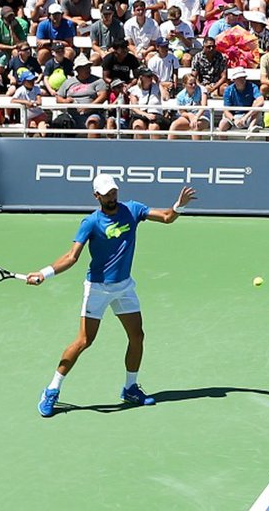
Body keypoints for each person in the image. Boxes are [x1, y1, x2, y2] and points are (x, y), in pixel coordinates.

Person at [29, 174, 197, 417]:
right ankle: (52, 390)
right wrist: (44, 274)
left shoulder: (133, 210)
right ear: (96, 196)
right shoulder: (91, 222)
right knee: (84, 341)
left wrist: (178, 205)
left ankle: (130, 388)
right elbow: (71, 257)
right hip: (97, 288)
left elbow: (167, 218)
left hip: (124, 287)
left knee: (137, 336)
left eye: (114, 191)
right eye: (106, 193)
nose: (112, 196)